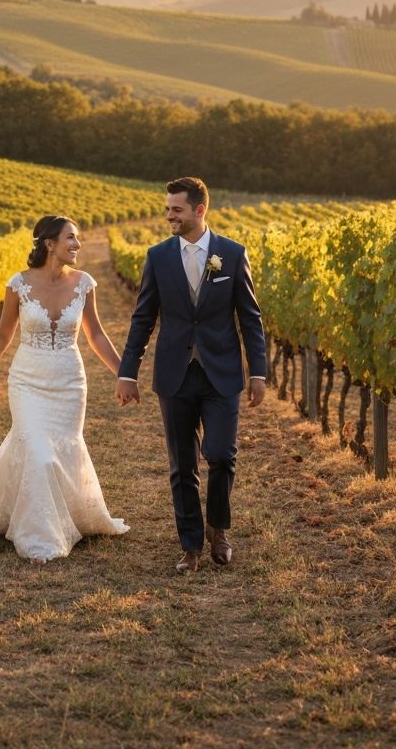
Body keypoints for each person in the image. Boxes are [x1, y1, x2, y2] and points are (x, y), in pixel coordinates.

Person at [0, 215, 128, 563]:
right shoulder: (19, 284)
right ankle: (40, 537)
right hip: (27, 381)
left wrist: (124, 373)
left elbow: (96, 335)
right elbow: (2, 333)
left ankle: (63, 516)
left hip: (70, 382)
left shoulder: (85, 283)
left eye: (78, 238)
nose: (77, 244)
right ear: (49, 244)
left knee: (61, 451)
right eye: (70, 238)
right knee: (38, 451)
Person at [115, 177, 266, 574]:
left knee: (220, 454)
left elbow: (250, 318)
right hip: (175, 373)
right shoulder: (158, 256)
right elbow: (143, 317)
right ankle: (190, 546)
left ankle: (219, 528)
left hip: (222, 373)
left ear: (199, 210)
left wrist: (260, 373)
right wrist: (127, 372)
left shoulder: (232, 255)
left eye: (176, 209)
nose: (169, 216)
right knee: (182, 464)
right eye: (167, 209)